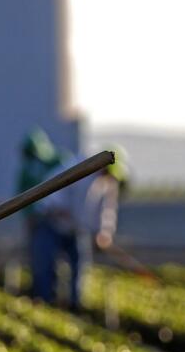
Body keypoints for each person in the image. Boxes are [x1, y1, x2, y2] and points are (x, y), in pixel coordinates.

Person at [18, 129, 121, 309]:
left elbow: (106, 211)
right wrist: (57, 210)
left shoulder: (108, 184)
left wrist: (104, 233)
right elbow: (53, 192)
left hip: (76, 228)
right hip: (52, 223)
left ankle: (75, 306)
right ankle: (45, 302)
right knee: (46, 265)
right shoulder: (77, 170)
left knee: (79, 266)